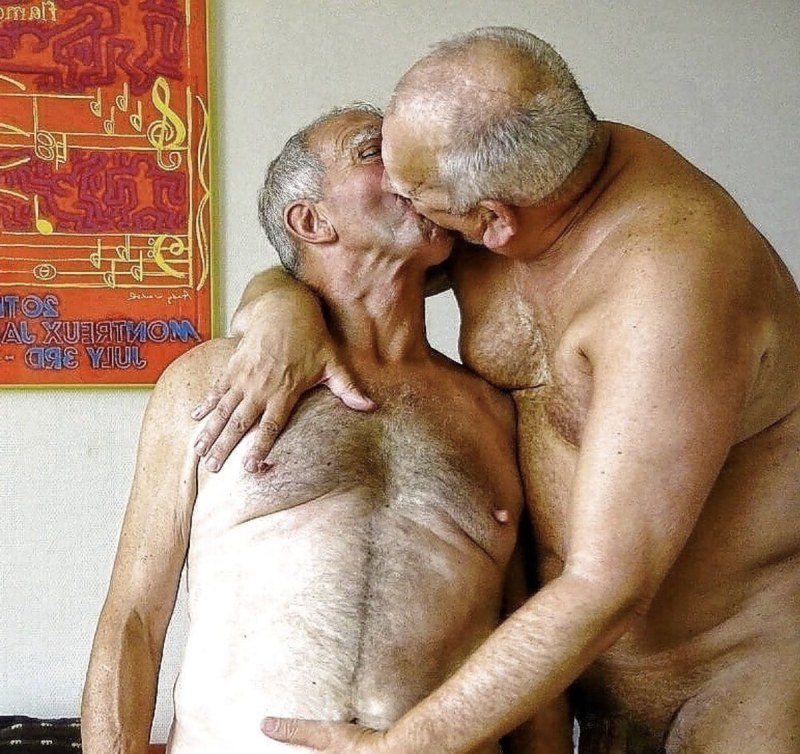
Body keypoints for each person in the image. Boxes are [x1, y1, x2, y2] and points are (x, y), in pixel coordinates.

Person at [192, 26, 800, 754]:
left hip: (727, 671)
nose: (398, 196)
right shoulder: (521, 175)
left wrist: (403, 746)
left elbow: (610, 584)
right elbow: (344, 262)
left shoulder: (673, 287)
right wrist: (274, 307)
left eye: (412, 193)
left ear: (493, 222)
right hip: (556, 678)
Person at [81, 103, 573, 754]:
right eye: (374, 150)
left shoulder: (495, 412)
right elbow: (134, 622)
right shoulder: (207, 382)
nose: (412, 164)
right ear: (310, 221)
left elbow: (529, 640)